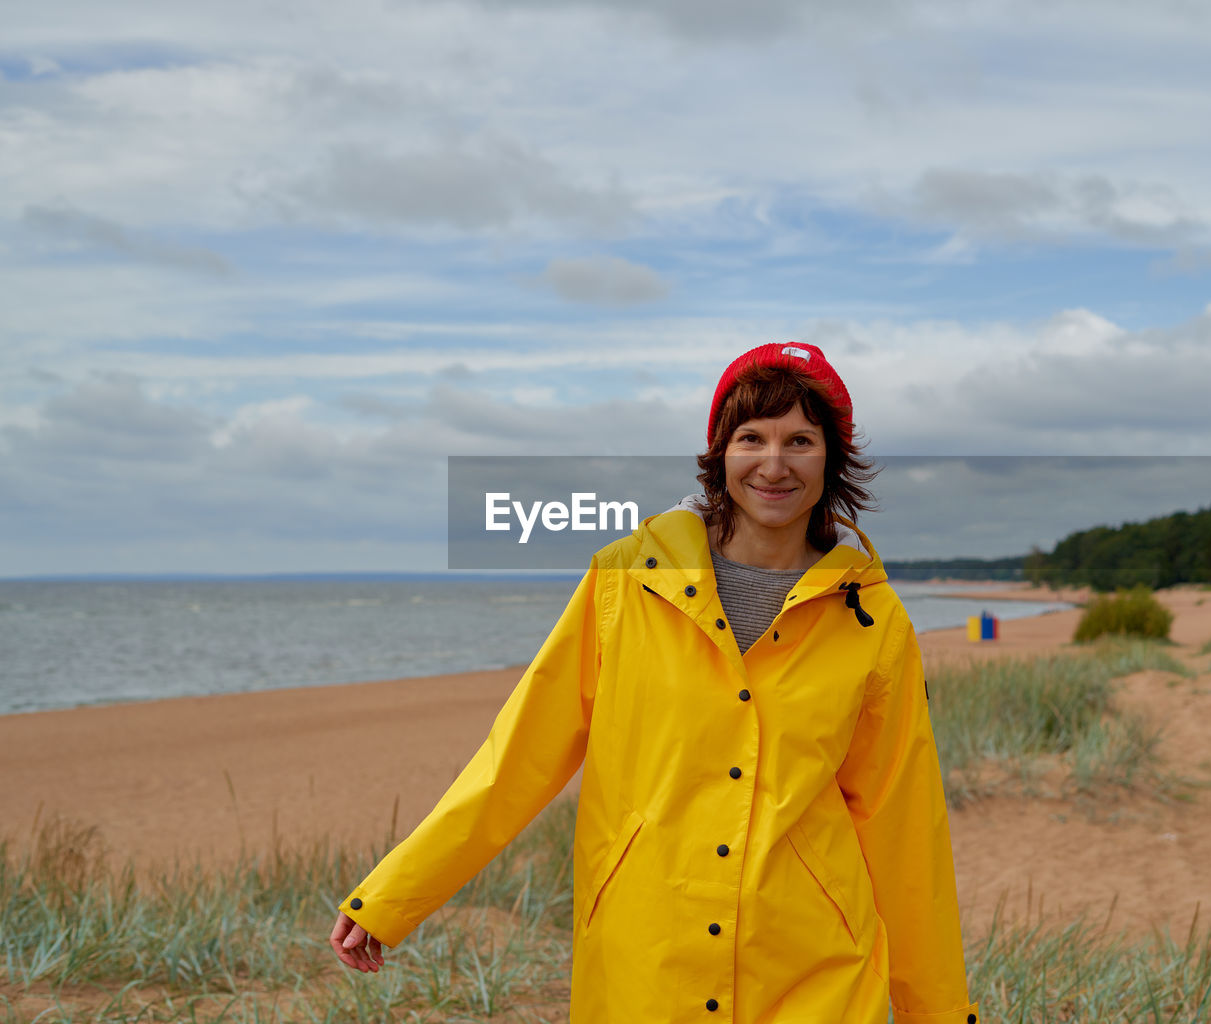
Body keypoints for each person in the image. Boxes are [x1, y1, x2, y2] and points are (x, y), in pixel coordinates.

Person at [329, 343, 979, 1024]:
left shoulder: (872, 617)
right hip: (646, 959)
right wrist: (396, 895)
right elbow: (519, 755)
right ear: (719, 453)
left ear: (832, 459)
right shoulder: (625, 581)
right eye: (751, 437)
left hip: (811, 972)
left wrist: (939, 1012)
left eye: (800, 441)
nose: (774, 463)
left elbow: (906, 830)